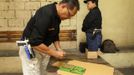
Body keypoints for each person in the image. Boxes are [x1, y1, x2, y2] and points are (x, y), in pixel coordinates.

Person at [19, 0, 80, 75]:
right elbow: (34, 42)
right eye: (69, 14)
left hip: (41, 48)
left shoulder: (57, 16)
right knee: (33, 72)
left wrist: (59, 49)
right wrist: (54, 53)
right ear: (63, 6)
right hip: (30, 48)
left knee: (42, 72)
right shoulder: (46, 14)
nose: (69, 18)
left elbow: (54, 34)